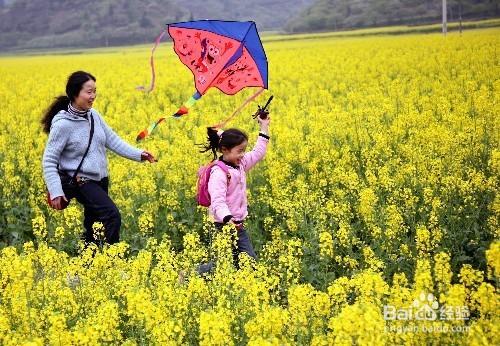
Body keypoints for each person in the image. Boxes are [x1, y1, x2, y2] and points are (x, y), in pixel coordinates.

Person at [42, 71, 156, 245]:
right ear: (74, 93)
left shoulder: (93, 116)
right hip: (82, 182)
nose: (93, 96)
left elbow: (112, 140)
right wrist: (56, 190)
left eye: (94, 91)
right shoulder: (63, 124)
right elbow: (49, 160)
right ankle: (112, 260)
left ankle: (88, 266)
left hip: (100, 180)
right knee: (112, 216)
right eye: (89, 92)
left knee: (94, 226)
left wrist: (139, 154)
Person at [198, 116, 270, 273]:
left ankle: (240, 286)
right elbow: (217, 201)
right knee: (243, 263)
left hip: (236, 222)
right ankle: (192, 275)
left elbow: (258, 152)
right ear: (224, 150)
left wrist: (264, 126)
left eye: (244, 150)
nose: (243, 154)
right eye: (239, 151)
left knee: (230, 263)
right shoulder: (219, 173)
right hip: (224, 223)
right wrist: (228, 218)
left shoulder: (240, 164)